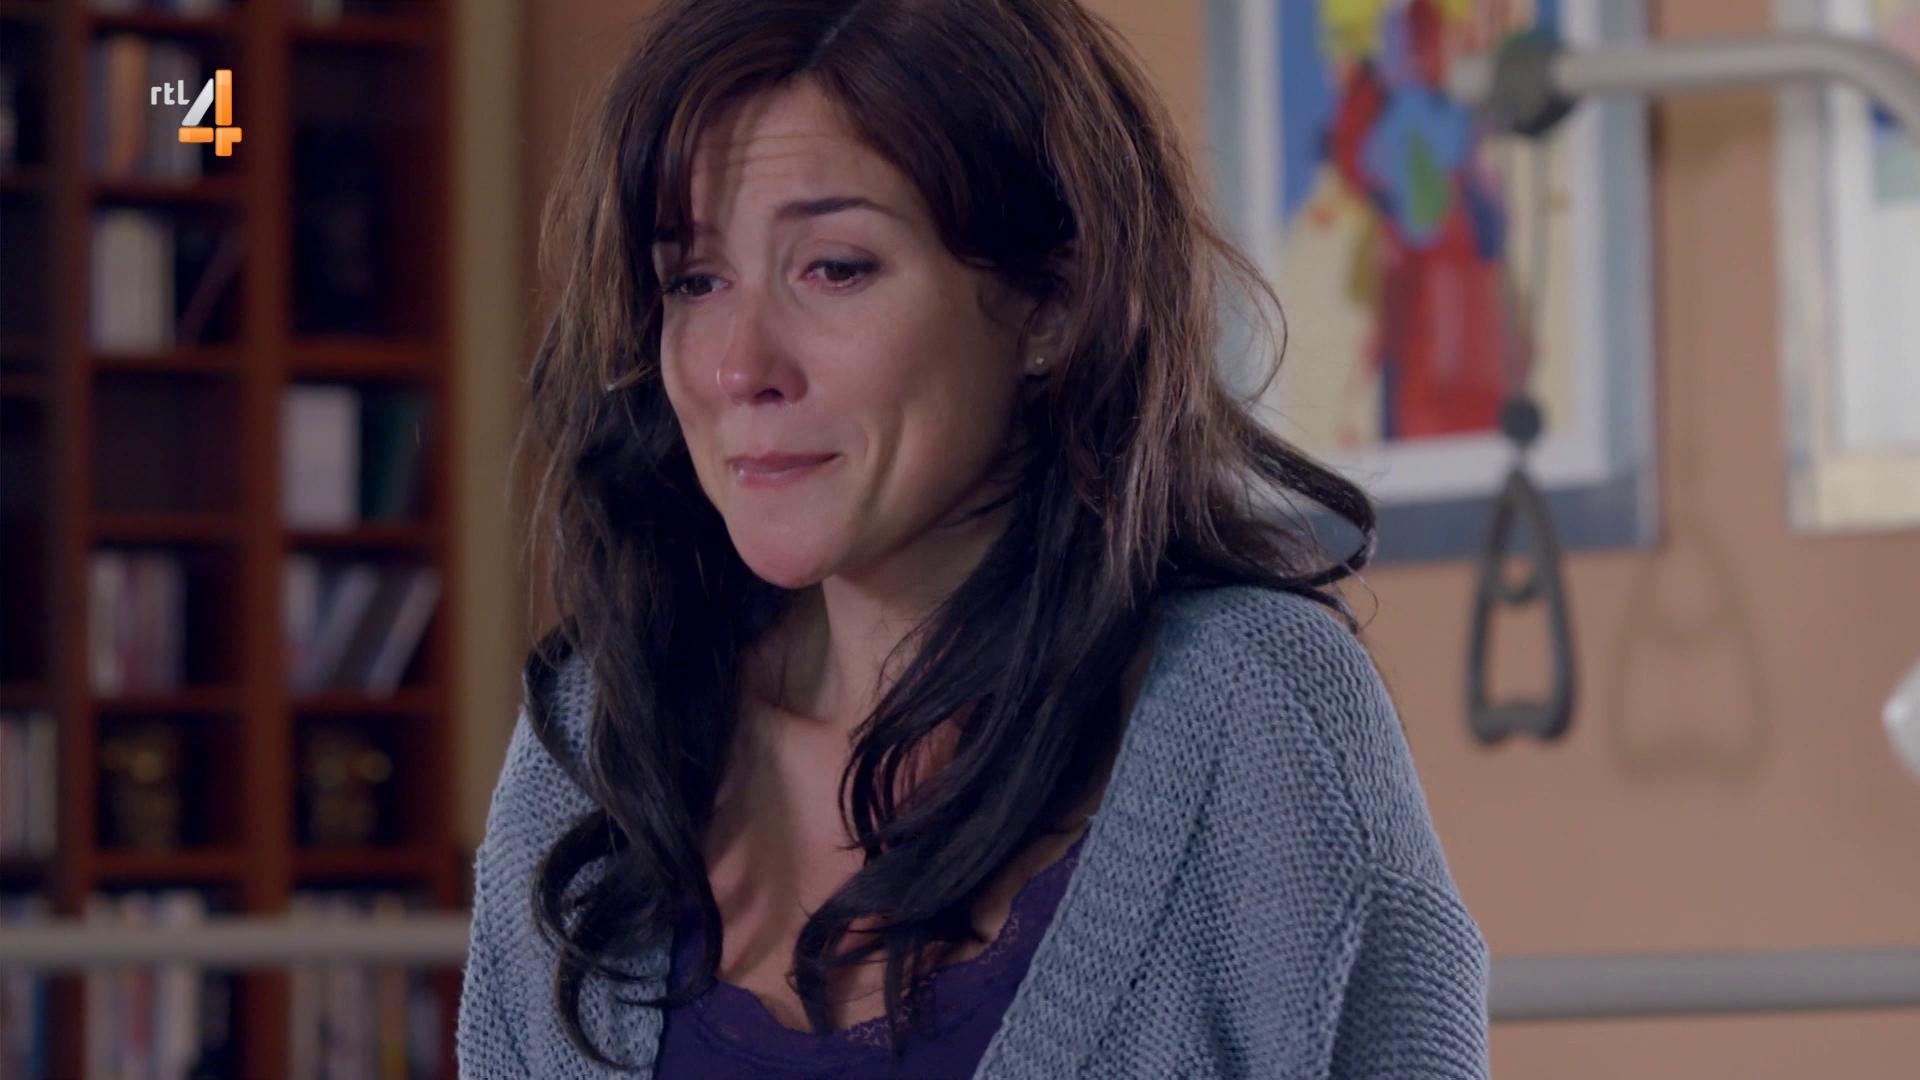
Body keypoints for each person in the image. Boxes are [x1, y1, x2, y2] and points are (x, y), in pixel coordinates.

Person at [456, 0, 1490, 1076]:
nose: (738, 366)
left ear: (1053, 304)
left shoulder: (1254, 716)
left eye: (834, 267)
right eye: (695, 281)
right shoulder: (597, 741)